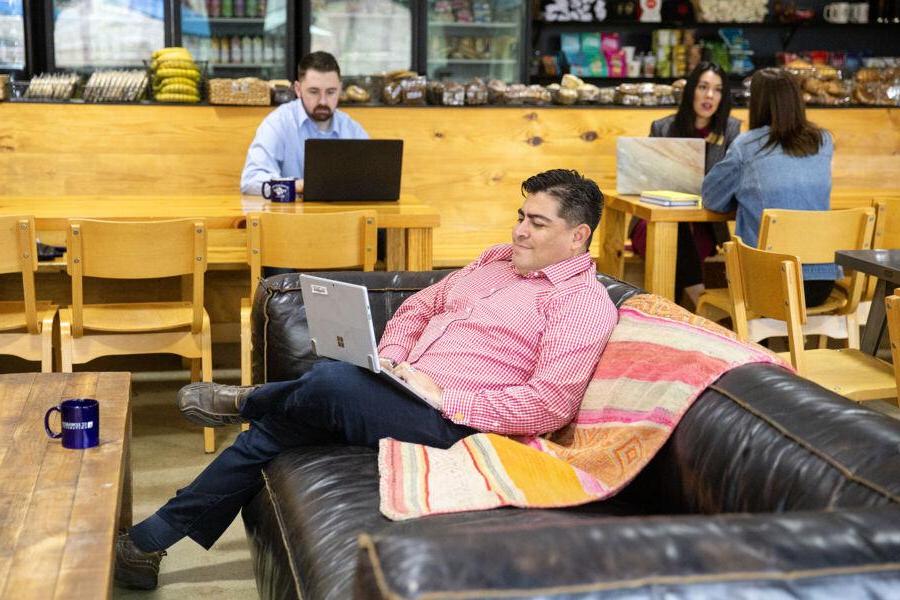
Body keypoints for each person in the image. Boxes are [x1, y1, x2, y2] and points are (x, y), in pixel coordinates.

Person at [114, 169, 619, 590]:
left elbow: (549, 404)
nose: (519, 232)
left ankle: (252, 401)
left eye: (536, 222)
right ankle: (148, 542)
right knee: (284, 429)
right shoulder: (495, 261)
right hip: (402, 387)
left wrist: (447, 396)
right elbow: (420, 306)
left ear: (578, 236)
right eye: (519, 216)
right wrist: (395, 359)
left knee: (330, 384)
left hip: (455, 421)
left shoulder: (580, 306)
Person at [702, 67, 836, 306]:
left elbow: (711, 198)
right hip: (821, 285)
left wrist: (741, 196)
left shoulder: (747, 146)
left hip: (768, 284)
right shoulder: (823, 141)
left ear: (758, 102)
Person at [631, 62, 742, 307]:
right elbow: (644, 179)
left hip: (703, 225)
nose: (709, 96)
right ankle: (698, 298)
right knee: (672, 228)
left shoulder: (731, 130)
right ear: (691, 90)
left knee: (678, 243)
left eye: (717, 89)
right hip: (654, 221)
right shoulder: (663, 127)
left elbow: (733, 182)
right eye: (703, 87)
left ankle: (672, 316)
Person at [239, 51, 369, 196]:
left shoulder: (353, 129)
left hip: (343, 217)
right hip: (291, 217)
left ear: (340, 88)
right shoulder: (278, 123)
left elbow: (373, 181)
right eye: (314, 92)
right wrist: (299, 186)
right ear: (298, 89)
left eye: (331, 92)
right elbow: (251, 182)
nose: (323, 101)